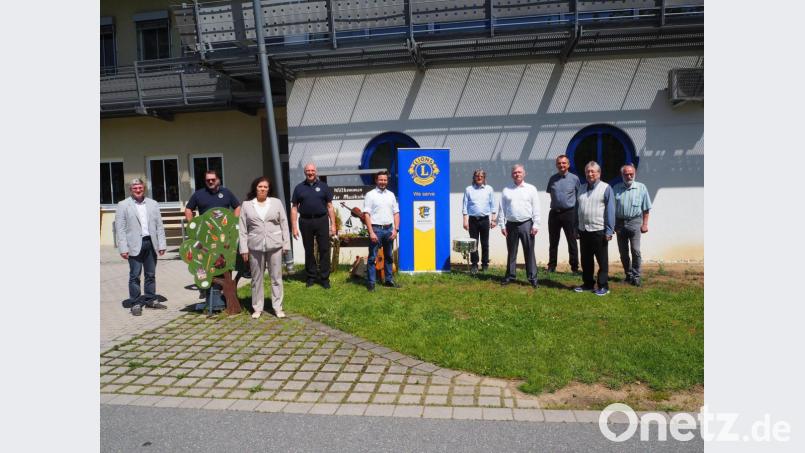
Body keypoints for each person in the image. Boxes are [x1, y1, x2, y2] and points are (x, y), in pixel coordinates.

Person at [239, 176, 291, 319]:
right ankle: (257, 307)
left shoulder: (276, 203)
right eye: (260, 186)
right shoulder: (247, 205)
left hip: (275, 245)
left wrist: (286, 243)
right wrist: (243, 248)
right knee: (257, 278)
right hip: (254, 246)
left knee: (276, 278)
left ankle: (277, 307)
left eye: (265, 187)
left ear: (269, 189)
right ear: (255, 188)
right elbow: (242, 229)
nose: (262, 189)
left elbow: (284, 224)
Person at [184, 169, 242, 298]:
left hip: (224, 235)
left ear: (218, 180)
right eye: (208, 180)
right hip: (206, 236)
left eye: (213, 179)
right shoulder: (198, 195)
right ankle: (204, 287)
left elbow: (237, 206)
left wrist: (233, 221)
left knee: (224, 261)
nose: (210, 181)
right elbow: (188, 209)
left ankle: (224, 291)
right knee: (205, 261)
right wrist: (192, 224)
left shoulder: (226, 193)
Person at [115, 178, 168, 316]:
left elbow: (159, 226)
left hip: (150, 243)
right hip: (134, 245)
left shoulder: (153, 204)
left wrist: (161, 244)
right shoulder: (123, 205)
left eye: (140, 188)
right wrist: (123, 248)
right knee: (135, 275)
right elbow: (120, 228)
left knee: (151, 274)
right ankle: (136, 303)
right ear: (131, 190)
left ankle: (151, 300)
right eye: (135, 188)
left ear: (144, 188)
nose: (138, 190)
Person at [290, 163, 336, 289]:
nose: (310, 173)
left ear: (316, 172)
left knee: (324, 249)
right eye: (308, 171)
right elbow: (294, 208)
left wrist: (333, 224)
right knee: (309, 250)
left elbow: (330, 206)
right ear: (304, 172)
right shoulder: (299, 188)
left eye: (312, 170)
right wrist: (294, 226)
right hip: (305, 221)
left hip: (321, 220)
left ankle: (325, 278)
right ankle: (311, 276)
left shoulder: (324, 187)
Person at [574, 161, 615, 296]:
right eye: (587, 171)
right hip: (583, 230)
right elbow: (577, 210)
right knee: (586, 260)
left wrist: (609, 230)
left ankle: (603, 286)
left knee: (602, 261)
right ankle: (588, 284)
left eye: (593, 171)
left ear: (599, 173)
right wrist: (576, 227)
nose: (590, 174)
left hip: (599, 230)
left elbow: (610, 211)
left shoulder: (606, 188)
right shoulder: (581, 188)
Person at [498, 164, 540, 288]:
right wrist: (502, 225)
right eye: (515, 172)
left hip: (527, 224)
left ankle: (532, 278)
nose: (517, 174)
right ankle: (510, 276)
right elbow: (502, 209)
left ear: (524, 174)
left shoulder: (531, 189)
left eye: (519, 172)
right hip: (510, 225)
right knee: (511, 252)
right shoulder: (506, 190)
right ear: (512, 175)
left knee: (529, 251)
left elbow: (536, 207)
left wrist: (536, 224)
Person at [612, 164, 652, 287]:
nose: (629, 176)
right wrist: (611, 225)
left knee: (635, 250)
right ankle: (628, 275)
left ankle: (636, 276)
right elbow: (611, 209)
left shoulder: (641, 188)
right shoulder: (616, 188)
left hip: (635, 222)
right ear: (622, 175)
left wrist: (645, 224)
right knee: (623, 252)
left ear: (634, 174)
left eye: (631, 174)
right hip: (619, 223)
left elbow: (646, 208)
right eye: (626, 174)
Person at [363, 170, 400, 291]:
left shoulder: (391, 195)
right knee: (372, 258)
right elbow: (366, 214)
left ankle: (389, 280)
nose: (383, 182)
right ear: (376, 180)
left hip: (389, 229)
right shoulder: (370, 195)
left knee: (389, 257)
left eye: (385, 180)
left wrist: (396, 229)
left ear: (387, 181)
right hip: (376, 229)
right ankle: (371, 283)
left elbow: (396, 213)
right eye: (381, 180)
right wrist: (371, 232)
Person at [545, 155, 580, 274]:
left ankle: (574, 267)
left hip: (569, 213)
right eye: (559, 163)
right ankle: (552, 265)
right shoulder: (552, 179)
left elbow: (578, 196)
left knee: (572, 241)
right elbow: (551, 194)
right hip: (554, 213)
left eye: (564, 163)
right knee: (553, 241)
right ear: (556, 165)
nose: (562, 165)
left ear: (568, 165)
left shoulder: (574, 179)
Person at [462, 169, 497, 274]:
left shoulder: (489, 189)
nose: (479, 177)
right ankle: (474, 265)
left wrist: (493, 220)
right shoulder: (468, 189)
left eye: (481, 176)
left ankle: (485, 264)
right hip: (473, 220)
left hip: (485, 220)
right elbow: (465, 206)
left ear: (484, 178)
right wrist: (465, 221)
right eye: (477, 176)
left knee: (485, 243)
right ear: (474, 177)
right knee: (473, 244)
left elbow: (493, 205)